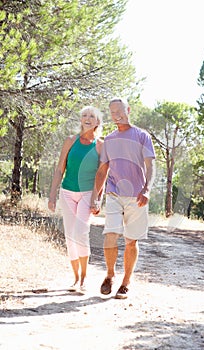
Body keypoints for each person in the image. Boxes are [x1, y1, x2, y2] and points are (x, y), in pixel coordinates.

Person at [91, 98, 156, 299]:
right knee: (110, 234)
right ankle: (110, 275)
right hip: (113, 193)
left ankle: (126, 282)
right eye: (112, 112)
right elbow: (103, 170)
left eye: (119, 110)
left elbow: (150, 166)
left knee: (130, 241)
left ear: (128, 110)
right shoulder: (109, 139)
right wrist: (96, 196)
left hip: (137, 196)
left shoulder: (142, 136)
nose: (116, 115)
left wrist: (147, 189)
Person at [48, 105, 103, 292]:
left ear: (97, 122)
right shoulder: (70, 141)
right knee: (70, 236)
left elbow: (102, 175)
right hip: (67, 192)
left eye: (92, 116)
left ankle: (84, 278)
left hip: (87, 193)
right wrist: (52, 194)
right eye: (84, 115)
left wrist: (98, 199)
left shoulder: (101, 145)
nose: (87, 118)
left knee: (80, 233)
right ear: (81, 120)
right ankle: (76, 278)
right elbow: (59, 169)